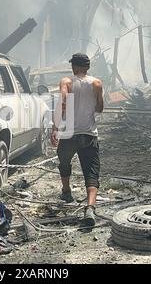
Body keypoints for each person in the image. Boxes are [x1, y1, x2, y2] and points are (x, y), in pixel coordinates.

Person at [51, 53, 104, 226]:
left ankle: (66, 191)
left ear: (74, 67)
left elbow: (63, 102)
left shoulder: (66, 82)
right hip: (88, 134)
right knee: (91, 171)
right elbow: (100, 108)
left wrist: (55, 126)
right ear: (87, 67)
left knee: (64, 161)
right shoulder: (97, 83)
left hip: (69, 134)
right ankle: (90, 208)